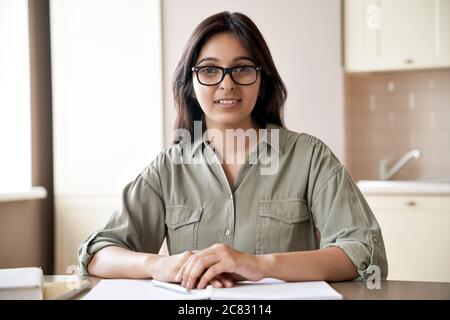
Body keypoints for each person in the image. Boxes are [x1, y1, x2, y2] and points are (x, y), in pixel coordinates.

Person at [78, 11, 387, 290]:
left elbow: (363, 251)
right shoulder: (168, 168)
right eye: (210, 71)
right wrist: (159, 265)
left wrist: (259, 265)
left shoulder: (310, 157)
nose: (227, 85)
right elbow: (97, 254)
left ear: (261, 81)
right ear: (191, 83)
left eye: (242, 69)